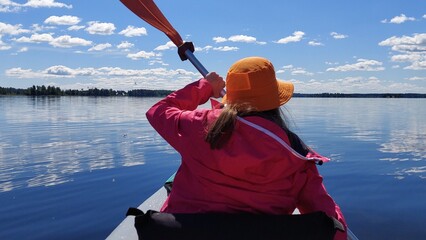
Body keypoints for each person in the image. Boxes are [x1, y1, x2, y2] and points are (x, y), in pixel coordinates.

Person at [146, 56, 347, 240]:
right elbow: (336, 229)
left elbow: (158, 111)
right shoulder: (296, 157)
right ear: (275, 102)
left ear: (231, 97)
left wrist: (205, 86)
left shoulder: (198, 128)